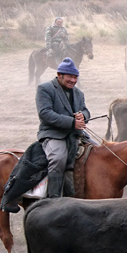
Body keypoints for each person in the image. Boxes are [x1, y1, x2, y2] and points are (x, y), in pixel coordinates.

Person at [36, 57, 90, 198]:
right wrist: (72, 122)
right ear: (59, 75)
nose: (73, 80)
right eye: (70, 77)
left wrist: (82, 116)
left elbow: (85, 110)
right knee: (58, 159)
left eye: (75, 77)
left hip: (76, 134)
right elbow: (45, 113)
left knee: (101, 153)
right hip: (53, 134)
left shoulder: (78, 93)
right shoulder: (45, 89)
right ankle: (53, 200)